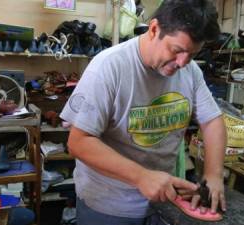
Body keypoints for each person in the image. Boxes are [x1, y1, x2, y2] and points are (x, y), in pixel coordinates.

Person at [60, 0, 227, 224]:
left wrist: (213, 175)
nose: (182, 63)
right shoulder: (109, 67)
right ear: (154, 28)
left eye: (192, 54)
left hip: (162, 201)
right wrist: (141, 177)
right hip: (108, 206)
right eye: (177, 50)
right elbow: (78, 142)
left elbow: (212, 121)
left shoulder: (191, 71)